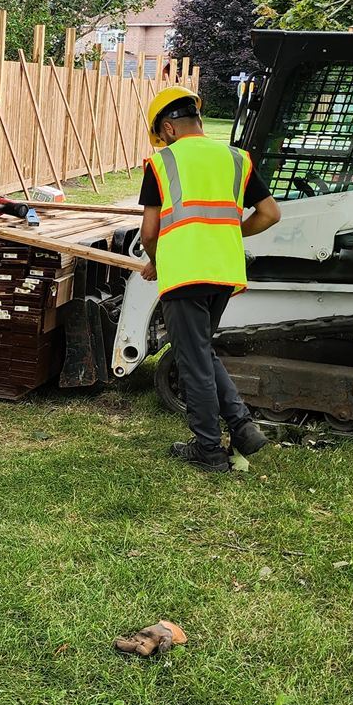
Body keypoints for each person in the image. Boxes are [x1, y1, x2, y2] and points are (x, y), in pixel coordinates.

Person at [137, 88, 282, 472]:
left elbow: (150, 233)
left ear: (167, 128)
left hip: (185, 272)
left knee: (193, 363)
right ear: (198, 120)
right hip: (224, 272)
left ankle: (208, 449)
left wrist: (156, 263)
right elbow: (269, 214)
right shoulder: (237, 159)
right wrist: (228, 232)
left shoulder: (162, 162)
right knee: (201, 351)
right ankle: (242, 427)